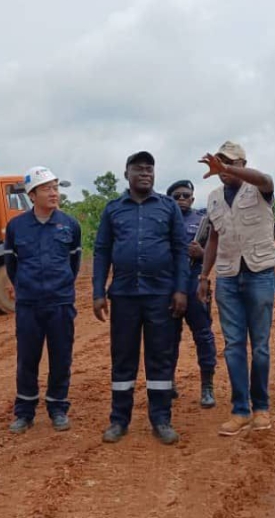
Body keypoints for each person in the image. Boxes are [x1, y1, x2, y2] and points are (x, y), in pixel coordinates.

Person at [93, 151, 188, 445]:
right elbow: (102, 251)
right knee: (123, 359)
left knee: (160, 359)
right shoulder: (113, 209)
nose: (145, 173)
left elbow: (180, 250)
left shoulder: (168, 207)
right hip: (124, 296)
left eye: (149, 169)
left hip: (160, 296)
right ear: (127, 175)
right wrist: (98, 292)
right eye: (139, 169)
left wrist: (181, 289)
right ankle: (119, 420)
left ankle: (161, 419)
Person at [197, 141, 275, 436]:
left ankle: (261, 407)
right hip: (228, 278)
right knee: (233, 346)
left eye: (230, 162)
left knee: (260, 347)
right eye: (219, 162)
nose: (223, 168)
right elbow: (213, 239)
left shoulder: (259, 189)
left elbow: (265, 179)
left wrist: (230, 170)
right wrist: (204, 277)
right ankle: (240, 410)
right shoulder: (214, 198)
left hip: (260, 275)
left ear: (243, 163)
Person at [5, 166, 83, 435]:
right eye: (47, 189)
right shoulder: (16, 227)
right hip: (29, 304)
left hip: (61, 303)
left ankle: (58, 408)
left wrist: (61, 286)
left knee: (61, 357)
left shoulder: (70, 224)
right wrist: (24, 287)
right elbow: (11, 265)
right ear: (32, 195)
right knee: (27, 359)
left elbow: (74, 263)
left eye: (55, 188)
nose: (53, 193)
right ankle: (24, 412)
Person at [166, 179, 218, 408]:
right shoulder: (163, 221)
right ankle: (168, 382)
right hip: (169, 286)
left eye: (186, 195)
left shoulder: (203, 221)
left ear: (192, 198)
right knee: (168, 337)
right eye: (176, 196)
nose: (182, 199)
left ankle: (207, 386)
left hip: (196, 284)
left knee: (203, 336)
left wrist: (202, 253)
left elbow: (218, 251)